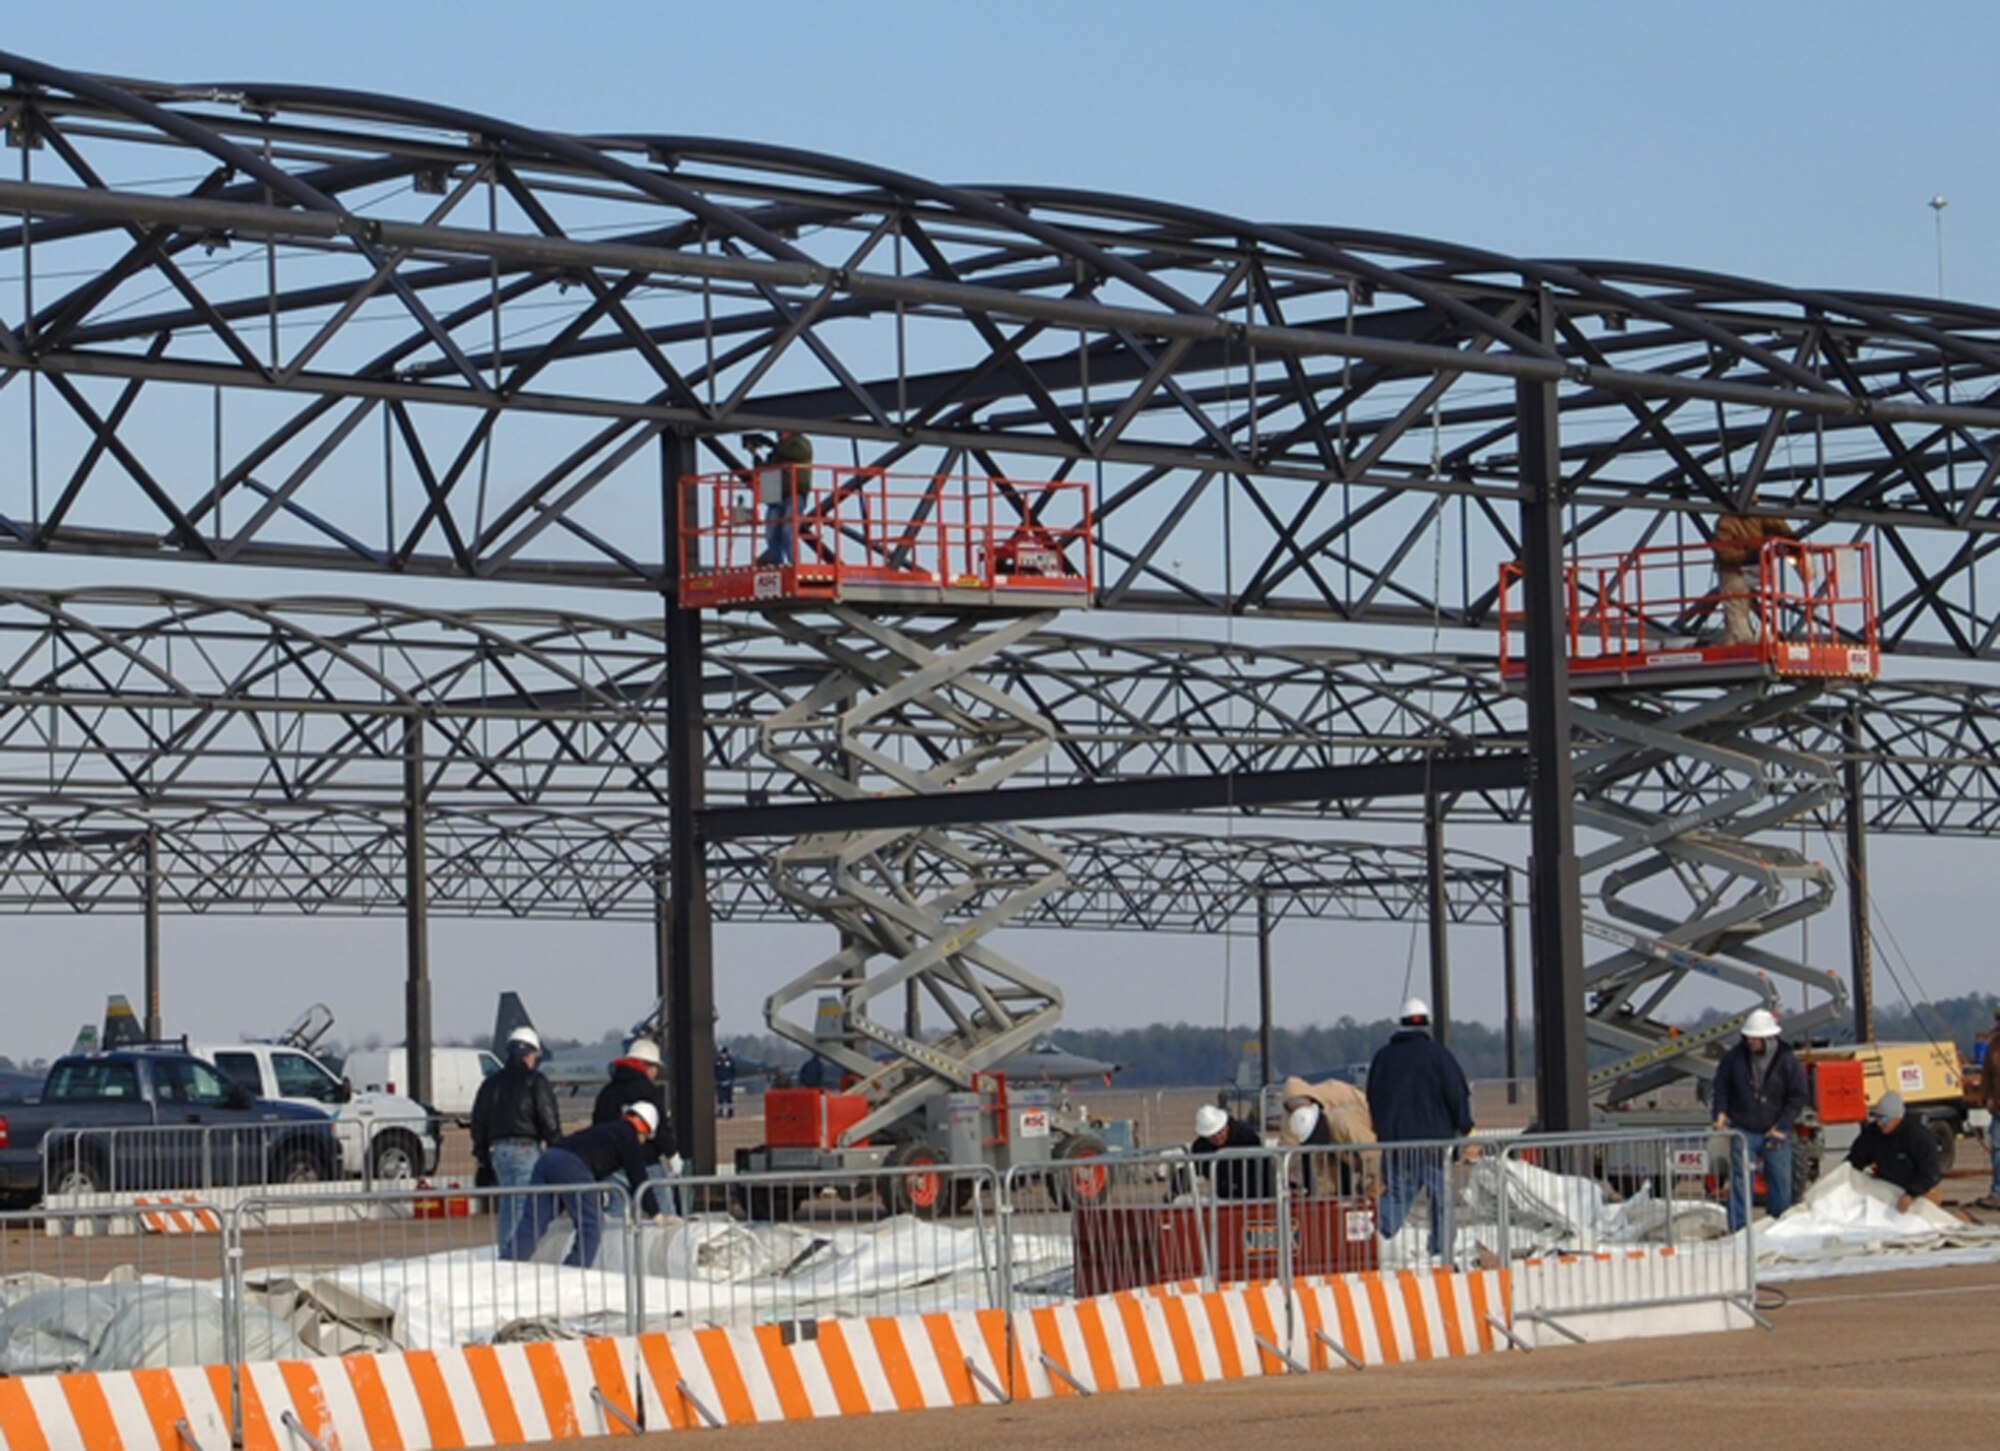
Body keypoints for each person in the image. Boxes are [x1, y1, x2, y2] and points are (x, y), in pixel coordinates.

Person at [1366, 998, 1473, 1258]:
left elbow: (1372, 1097)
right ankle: (1441, 1250)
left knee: (1398, 1196)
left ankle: (1372, 1236)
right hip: (1434, 1147)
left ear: (1400, 1023)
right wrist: (1465, 1125)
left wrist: (1383, 1130)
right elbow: (1457, 1093)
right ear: (1426, 1024)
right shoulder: (1439, 1056)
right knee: (1441, 1200)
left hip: (1396, 1145)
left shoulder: (1383, 1058)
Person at [502, 1100, 662, 1267]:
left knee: (532, 1222)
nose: (643, 1142)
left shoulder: (606, 1130)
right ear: (643, 1128)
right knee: (590, 1227)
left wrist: (596, 1207)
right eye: (646, 1136)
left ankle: (507, 1267)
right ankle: (574, 1273)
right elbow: (638, 1176)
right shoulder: (628, 1136)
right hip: (572, 1166)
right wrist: (655, 1213)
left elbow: (593, 1172)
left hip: (549, 1158)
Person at [1710, 1007, 1809, 1231]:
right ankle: (1739, 1229)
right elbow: (1721, 1085)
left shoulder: (1786, 1060)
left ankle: (1777, 1226)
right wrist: (1720, 1112)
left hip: (1775, 1128)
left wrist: (1783, 1125)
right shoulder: (1734, 1057)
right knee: (1739, 1179)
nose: (1750, 1041)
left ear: (1767, 1038)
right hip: (1744, 1126)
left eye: (1754, 1038)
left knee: (1779, 1179)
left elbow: (1798, 1095)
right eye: (1748, 1037)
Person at [470, 1025, 562, 1254]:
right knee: (523, 1205)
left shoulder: (491, 1084)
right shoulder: (535, 1081)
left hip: (498, 1151)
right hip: (526, 1148)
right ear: (529, 1054)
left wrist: (482, 1158)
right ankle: (518, 1257)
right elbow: (548, 1119)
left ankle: (506, 1252)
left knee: (508, 1205)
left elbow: (478, 1122)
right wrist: (559, 1148)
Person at [592, 1037, 676, 1216]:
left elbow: (597, 1129)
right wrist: (672, 1153)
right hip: (647, 1163)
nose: (656, 1074)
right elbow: (659, 1128)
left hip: (614, 1165)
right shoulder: (648, 1091)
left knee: (617, 1218)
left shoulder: (607, 1093)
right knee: (664, 1214)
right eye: (655, 1068)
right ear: (648, 1066)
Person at [1279, 1073, 1376, 1196]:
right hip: (1342, 1147)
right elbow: (1288, 1146)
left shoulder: (1344, 1116)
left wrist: (1374, 1179)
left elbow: (1371, 1153)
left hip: (1356, 1139)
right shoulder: (1294, 1119)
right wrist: (1287, 1174)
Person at [1712, 512, 1802, 645]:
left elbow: (1724, 553)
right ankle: (1731, 642)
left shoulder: (1725, 521)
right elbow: (1775, 522)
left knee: (1735, 606)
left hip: (1734, 571)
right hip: (1754, 568)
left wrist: (1746, 556)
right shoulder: (1757, 514)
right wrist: (1791, 539)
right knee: (1741, 606)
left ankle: (1744, 641)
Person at [1845, 1092, 1943, 1214]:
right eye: (1877, 1118)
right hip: (1890, 1189)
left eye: (1884, 1119)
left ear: (1898, 1117)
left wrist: (1911, 1194)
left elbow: (1930, 1172)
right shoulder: (1873, 1134)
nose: (1880, 1123)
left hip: (1921, 1191)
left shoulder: (1917, 1136)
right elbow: (1856, 1159)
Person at [750, 429, 814, 566]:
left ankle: (795, 564)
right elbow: (764, 470)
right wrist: (755, 454)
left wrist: (771, 445)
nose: (778, 435)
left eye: (780, 432)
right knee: (771, 534)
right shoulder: (777, 452)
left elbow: (797, 453)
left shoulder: (801, 443)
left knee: (787, 532)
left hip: (794, 493)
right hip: (776, 495)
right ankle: (777, 564)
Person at [1187, 1102, 1273, 1200]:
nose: (1217, 1138)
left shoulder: (1246, 1137)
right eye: (1211, 1136)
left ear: (1226, 1127)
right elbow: (1196, 1170)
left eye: (1219, 1133)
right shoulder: (1200, 1147)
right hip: (1221, 1195)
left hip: (1251, 1195)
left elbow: (1259, 1169)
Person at [1981, 1007, 2000, 1211]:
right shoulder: (1994, 1047)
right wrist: (1986, 1097)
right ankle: (1998, 1192)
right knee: (1998, 1150)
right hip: (1998, 1108)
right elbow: (1987, 1075)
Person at [714, 1046, 737, 1119]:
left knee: (729, 1099)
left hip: (728, 1082)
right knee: (720, 1099)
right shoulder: (717, 1061)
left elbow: (734, 1072)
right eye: (722, 1054)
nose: (723, 1055)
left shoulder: (730, 1061)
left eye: (724, 1054)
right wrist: (716, 1080)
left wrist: (731, 1080)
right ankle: (720, 1112)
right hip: (720, 1082)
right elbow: (714, 1071)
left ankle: (730, 1113)